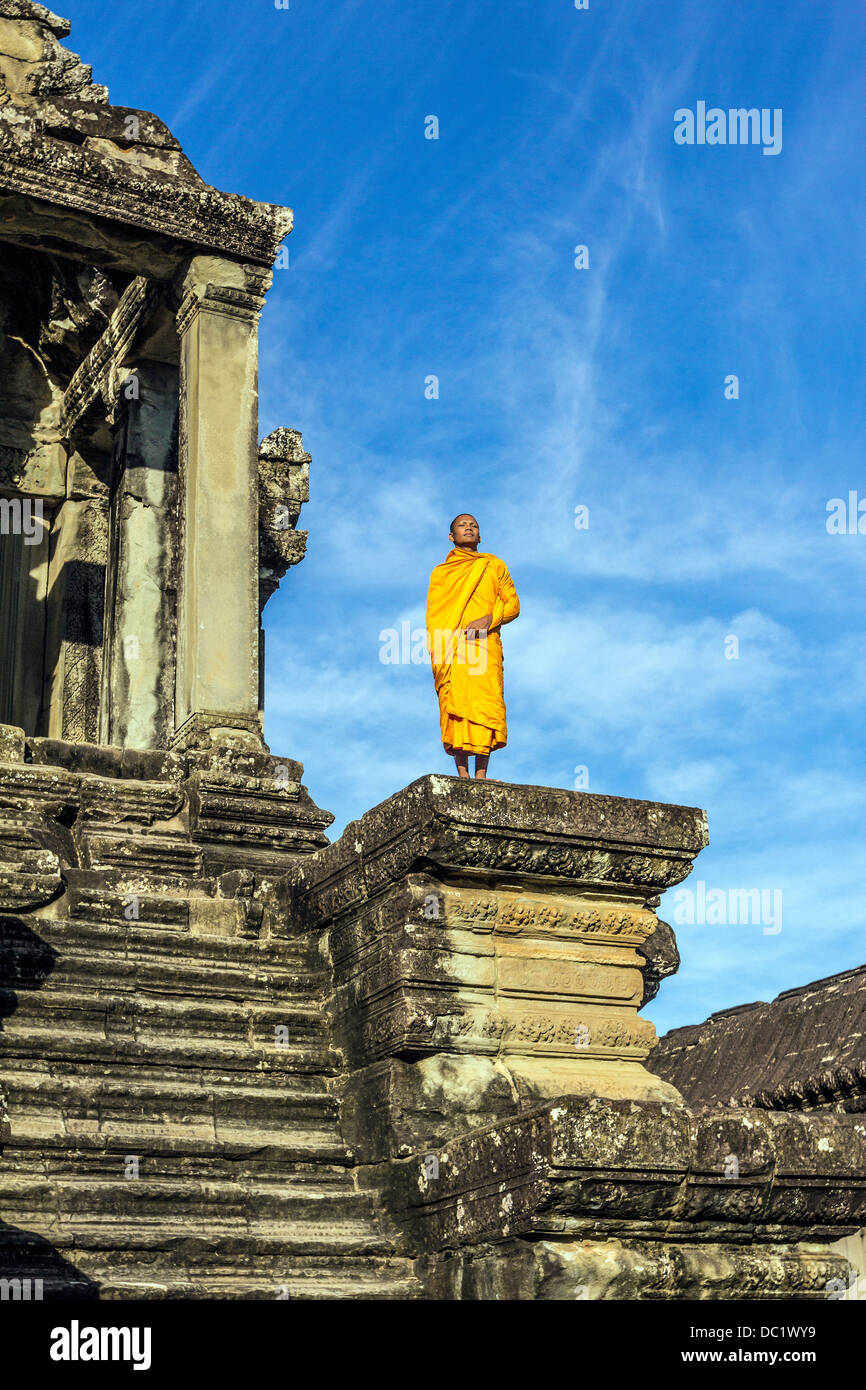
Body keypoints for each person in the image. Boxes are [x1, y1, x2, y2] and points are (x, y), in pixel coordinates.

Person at [425, 514, 520, 780]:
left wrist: (489, 620)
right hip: (453, 647)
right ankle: (462, 773)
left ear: (480, 536)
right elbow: (435, 615)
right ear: (451, 536)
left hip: (485, 644)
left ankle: (481, 774)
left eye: (474, 526)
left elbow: (513, 604)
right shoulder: (441, 573)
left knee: (484, 704)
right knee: (457, 703)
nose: (468, 528)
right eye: (462, 525)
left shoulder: (493, 565)